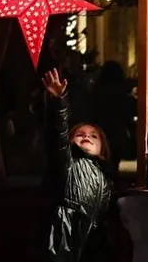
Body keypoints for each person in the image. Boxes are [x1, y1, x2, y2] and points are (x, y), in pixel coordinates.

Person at [40, 68, 118, 262]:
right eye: (80, 134)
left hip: (91, 247)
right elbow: (57, 134)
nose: (86, 137)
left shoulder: (106, 178)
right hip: (61, 241)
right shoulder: (67, 161)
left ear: (103, 149)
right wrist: (59, 102)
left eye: (93, 136)